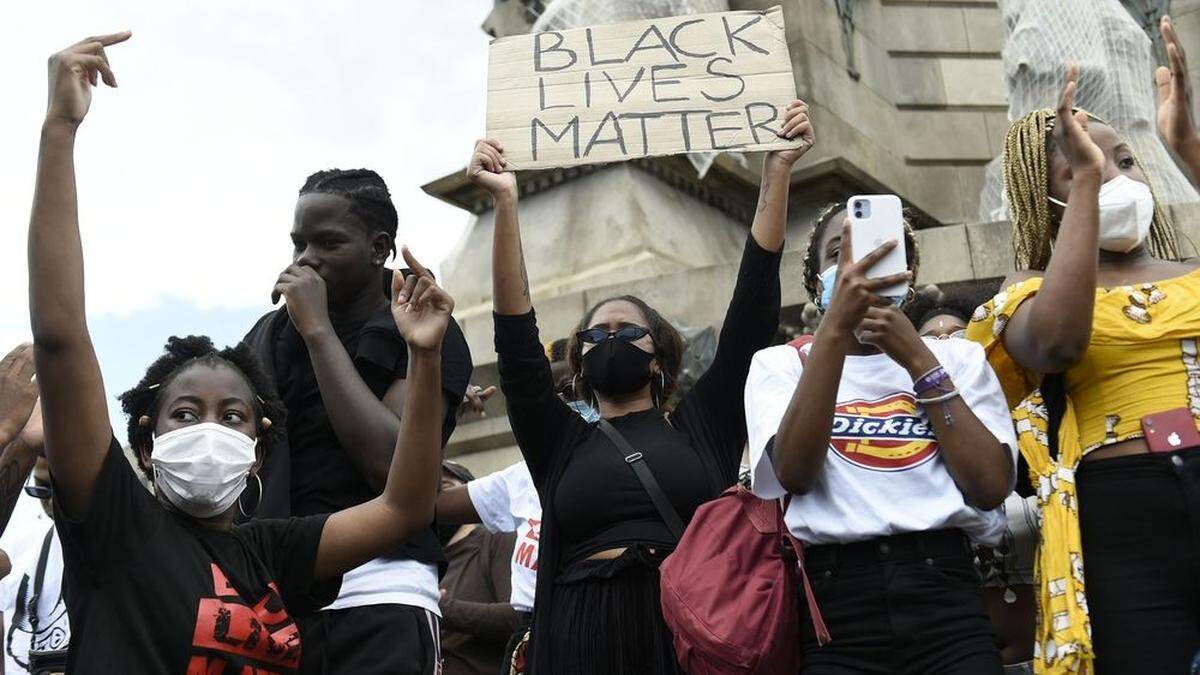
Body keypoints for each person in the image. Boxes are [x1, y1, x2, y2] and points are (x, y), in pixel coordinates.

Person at [27, 32, 452, 673]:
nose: (209, 431)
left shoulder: (267, 553)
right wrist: (59, 129)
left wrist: (424, 359)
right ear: (145, 439)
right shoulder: (114, 524)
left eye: (233, 417)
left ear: (258, 448)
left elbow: (404, 505)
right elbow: (61, 337)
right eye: (185, 413)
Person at [467, 97, 813, 674]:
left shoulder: (703, 424)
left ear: (658, 357)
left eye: (625, 330)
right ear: (579, 366)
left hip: (686, 630)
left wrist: (776, 171)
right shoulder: (558, 443)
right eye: (595, 335)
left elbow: (752, 310)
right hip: (580, 635)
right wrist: (504, 203)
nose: (609, 339)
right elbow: (515, 341)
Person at [967, 41, 1200, 674]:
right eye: (1082, 165)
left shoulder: (1192, 270)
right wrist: (1092, 187)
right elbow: (1058, 345)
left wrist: (1186, 148)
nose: (1114, 172)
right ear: (1046, 198)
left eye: (1126, 159)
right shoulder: (1026, 292)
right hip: (1125, 512)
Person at [746, 203, 1018, 673]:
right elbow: (794, 473)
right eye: (838, 254)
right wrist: (832, 333)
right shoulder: (779, 365)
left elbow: (991, 486)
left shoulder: (959, 358)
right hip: (838, 607)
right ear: (816, 281)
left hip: (945, 594)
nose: (857, 267)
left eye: (876, 251)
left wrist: (919, 362)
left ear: (907, 275)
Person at [242, 166, 473, 673]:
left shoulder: (426, 330)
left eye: (328, 243)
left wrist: (319, 332)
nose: (306, 259)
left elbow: (391, 466)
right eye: (298, 244)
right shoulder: (268, 337)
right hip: (275, 599)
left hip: (380, 595)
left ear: (378, 246)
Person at [915, 294, 1039, 674]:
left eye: (955, 334)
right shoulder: (911, 447)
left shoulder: (1030, 425)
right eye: (929, 339)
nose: (943, 344)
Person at [436, 459, 541, 671]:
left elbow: (519, 618)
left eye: (445, 489)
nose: (438, 501)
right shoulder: (430, 562)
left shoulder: (495, 539)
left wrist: (445, 610)